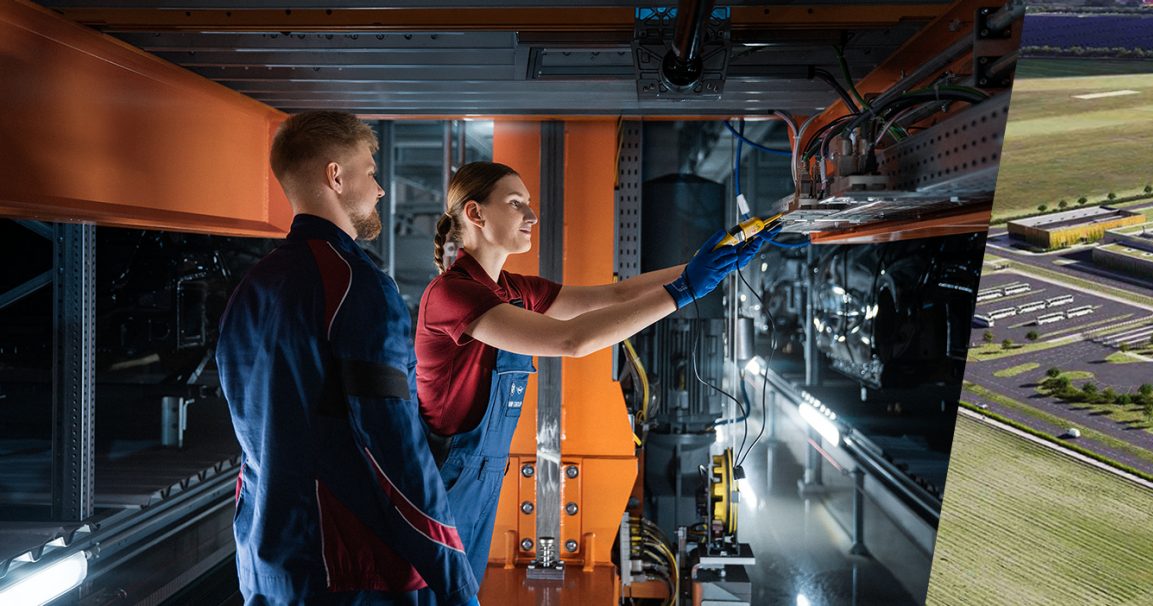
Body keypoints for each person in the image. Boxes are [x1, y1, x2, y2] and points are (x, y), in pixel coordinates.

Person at [412, 161, 775, 583]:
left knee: (460, 593)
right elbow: (571, 341)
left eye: (529, 204)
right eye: (516, 204)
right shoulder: (452, 294)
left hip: (481, 478)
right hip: (445, 479)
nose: (531, 217)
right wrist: (685, 291)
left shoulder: (512, 289)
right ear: (476, 214)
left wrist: (707, 264)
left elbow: (615, 294)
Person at [217, 111, 477, 605]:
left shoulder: (250, 289)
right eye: (371, 172)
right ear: (336, 176)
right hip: (351, 569)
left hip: (266, 562)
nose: (379, 189)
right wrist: (457, 583)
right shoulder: (358, 285)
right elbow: (395, 452)